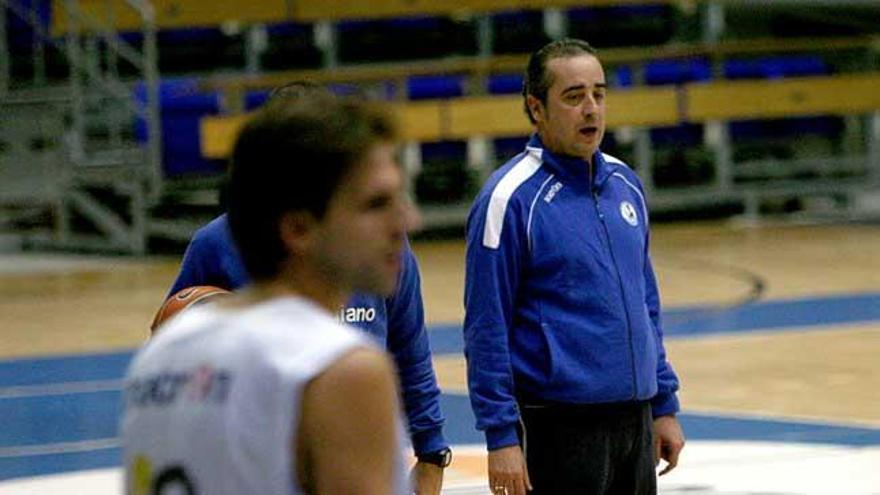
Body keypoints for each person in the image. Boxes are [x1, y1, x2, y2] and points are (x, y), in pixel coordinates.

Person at [165, 82, 451, 494]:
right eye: (375, 203)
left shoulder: (150, 374)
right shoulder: (348, 373)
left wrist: (432, 452)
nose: (405, 222)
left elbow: (411, 350)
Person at [463, 38, 685, 495]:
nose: (591, 109)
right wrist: (501, 437)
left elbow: (646, 306)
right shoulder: (509, 200)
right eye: (573, 96)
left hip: (635, 422)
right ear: (536, 108)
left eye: (598, 94)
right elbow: (487, 327)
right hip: (556, 429)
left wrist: (663, 404)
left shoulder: (626, 184)